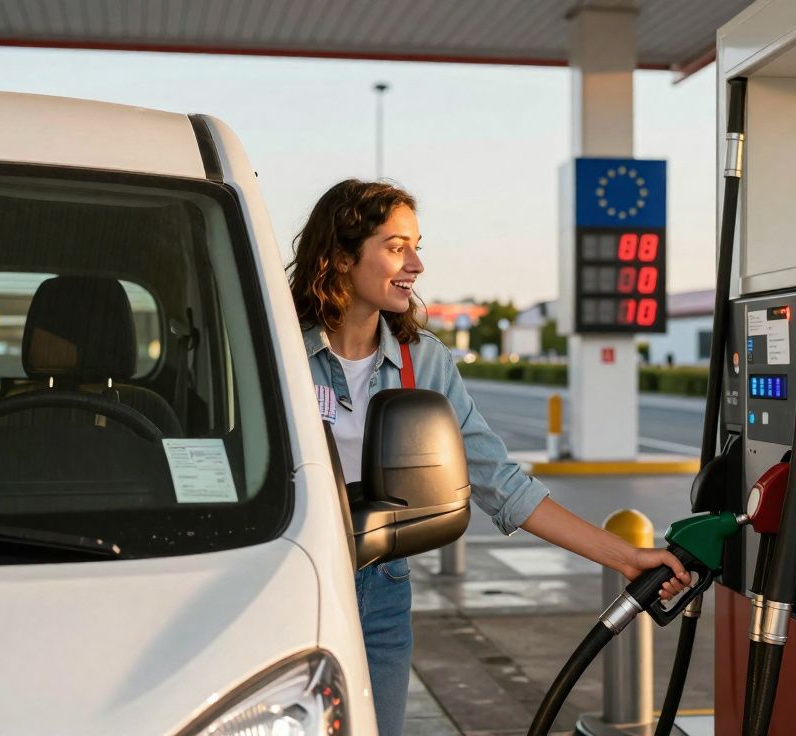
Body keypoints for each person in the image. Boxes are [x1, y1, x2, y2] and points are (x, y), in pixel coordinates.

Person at [288, 179, 690, 736]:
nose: (418, 264)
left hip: (381, 590)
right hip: (289, 581)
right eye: (397, 246)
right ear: (338, 257)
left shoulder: (423, 362)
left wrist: (625, 558)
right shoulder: (278, 347)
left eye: (417, 244)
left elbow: (500, 483)